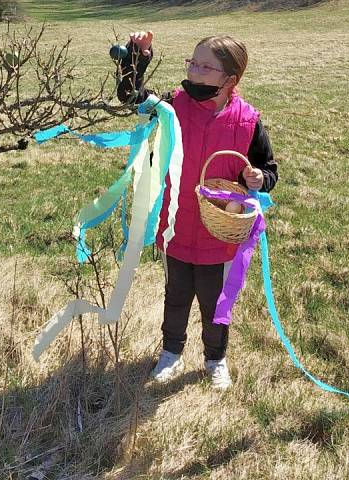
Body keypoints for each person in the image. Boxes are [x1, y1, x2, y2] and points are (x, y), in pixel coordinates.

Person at [116, 31, 278, 390]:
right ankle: (171, 353)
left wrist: (257, 178)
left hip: (219, 234)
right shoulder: (173, 105)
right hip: (176, 225)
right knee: (176, 295)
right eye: (192, 63)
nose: (194, 72)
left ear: (229, 80)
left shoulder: (248, 120)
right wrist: (136, 58)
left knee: (215, 303)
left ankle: (215, 359)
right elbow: (131, 96)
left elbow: (269, 170)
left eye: (206, 67)